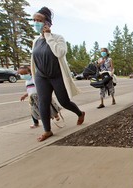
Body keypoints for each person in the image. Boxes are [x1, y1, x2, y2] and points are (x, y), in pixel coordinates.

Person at [31, 7, 85, 142]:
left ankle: (80, 113)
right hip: (41, 77)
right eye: (34, 20)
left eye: (39, 20)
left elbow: (59, 53)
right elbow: (35, 60)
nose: (36, 23)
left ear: (48, 23)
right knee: (43, 102)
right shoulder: (35, 41)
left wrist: (48, 36)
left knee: (64, 101)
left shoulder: (58, 38)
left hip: (57, 76)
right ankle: (47, 131)